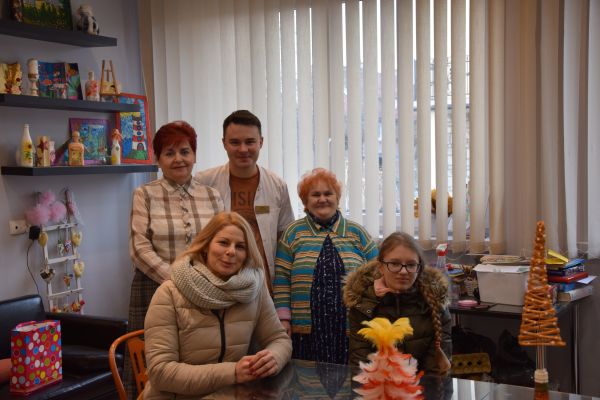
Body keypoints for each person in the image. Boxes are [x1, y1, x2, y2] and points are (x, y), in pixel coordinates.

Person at [142, 212, 292, 399]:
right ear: (206, 246)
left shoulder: (254, 290)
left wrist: (274, 357)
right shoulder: (169, 293)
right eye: (223, 243)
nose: (231, 251)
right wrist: (232, 372)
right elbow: (160, 372)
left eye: (240, 246)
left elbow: (279, 339)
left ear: (247, 254)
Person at [127, 120, 224, 397]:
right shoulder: (145, 194)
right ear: (158, 159)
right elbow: (138, 248)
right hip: (154, 288)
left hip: (206, 290)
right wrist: (177, 280)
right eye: (169, 153)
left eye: (185, 151)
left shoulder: (212, 196)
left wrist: (205, 281)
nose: (178, 159)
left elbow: (221, 242)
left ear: (194, 155)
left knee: (199, 364)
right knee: (156, 368)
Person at [273, 168, 378, 364]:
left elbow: (379, 276)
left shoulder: (357, 233)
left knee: (348, 377)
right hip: (305, 330)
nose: (322, 199)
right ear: (305, 202)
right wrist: (283, 318)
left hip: (350, 328)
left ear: (337, 198)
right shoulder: (293, 233)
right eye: (315, 195)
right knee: (307, 377)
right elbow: (281, 279)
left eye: (328, 193)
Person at [196, 110, 295, 293]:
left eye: (250, 142)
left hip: (264, 288)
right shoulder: (203, 182)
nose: (243, 149)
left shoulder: (277, 185)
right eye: (235, 142)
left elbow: (285, 240)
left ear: (261, 142)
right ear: (224, 143)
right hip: (217, 285)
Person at [343, 231, 452, 374]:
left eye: (411, 265)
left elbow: (434, 371)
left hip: (423, 385)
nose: (403, 271)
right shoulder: (363, 305)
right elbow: (361, 365)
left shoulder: (435, 303)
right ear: (381, 266)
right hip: (377, 385)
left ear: (419, 268)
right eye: (394, 263)